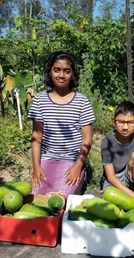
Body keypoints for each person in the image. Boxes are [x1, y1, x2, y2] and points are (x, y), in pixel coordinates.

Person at [27, 51, 95, 195]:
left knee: (63, 202)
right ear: (50, 71)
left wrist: (78, 165)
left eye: (67, 71)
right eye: (57, 70)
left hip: (72, 161)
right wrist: (36, 167)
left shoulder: (82, 102)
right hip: (47, 160)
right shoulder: (40, 100)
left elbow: (87, 139)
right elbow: (36, 137)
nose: (61, 75)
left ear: (73, 74)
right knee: (39, 202)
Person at [101, 101, 134, 201]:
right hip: (114, 182)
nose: (125, 127)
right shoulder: (107, 142)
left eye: (130, 122)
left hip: (132, 181)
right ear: (114, 122)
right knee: (112, 205)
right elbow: (111, 177)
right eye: (120, 122)